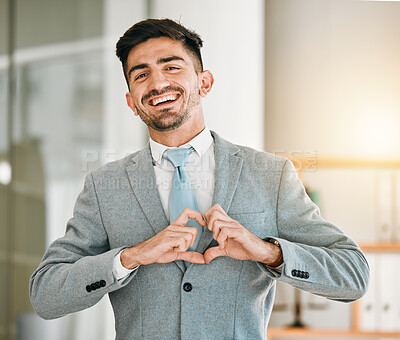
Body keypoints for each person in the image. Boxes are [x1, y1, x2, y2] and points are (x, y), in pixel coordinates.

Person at [30, 18, 369, 340]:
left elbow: (352, 274)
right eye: (141, 74)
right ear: (131, 101)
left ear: (204, 82)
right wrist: (132, 256)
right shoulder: (104, 187)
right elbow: (45, 293)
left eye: (172, 66)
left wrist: (267, 253)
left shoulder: (270, 175)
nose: (158, 83)